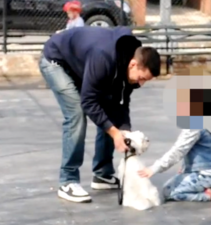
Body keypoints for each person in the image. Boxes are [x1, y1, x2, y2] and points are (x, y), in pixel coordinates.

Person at [39, 26, 161, 203]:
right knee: (77, 113)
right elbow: (88, 101)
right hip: (57, 61)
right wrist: (114, 133)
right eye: (141, 78)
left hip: (82, 65)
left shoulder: (127, 63)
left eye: (146, 81)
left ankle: (102, 174)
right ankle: (68, 180)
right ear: (133, 64)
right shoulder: (104, 58)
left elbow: (121, 103)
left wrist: (125, 131)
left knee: (110, 116)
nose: (141, 84)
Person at [138, 127, 211, 202]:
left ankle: (207, 195)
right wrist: (185, 167)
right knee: (170, 185)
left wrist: (154, 168)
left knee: (168, 192)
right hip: (209, 172)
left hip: (203, 175)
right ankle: (206, 187)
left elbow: (178, 151)